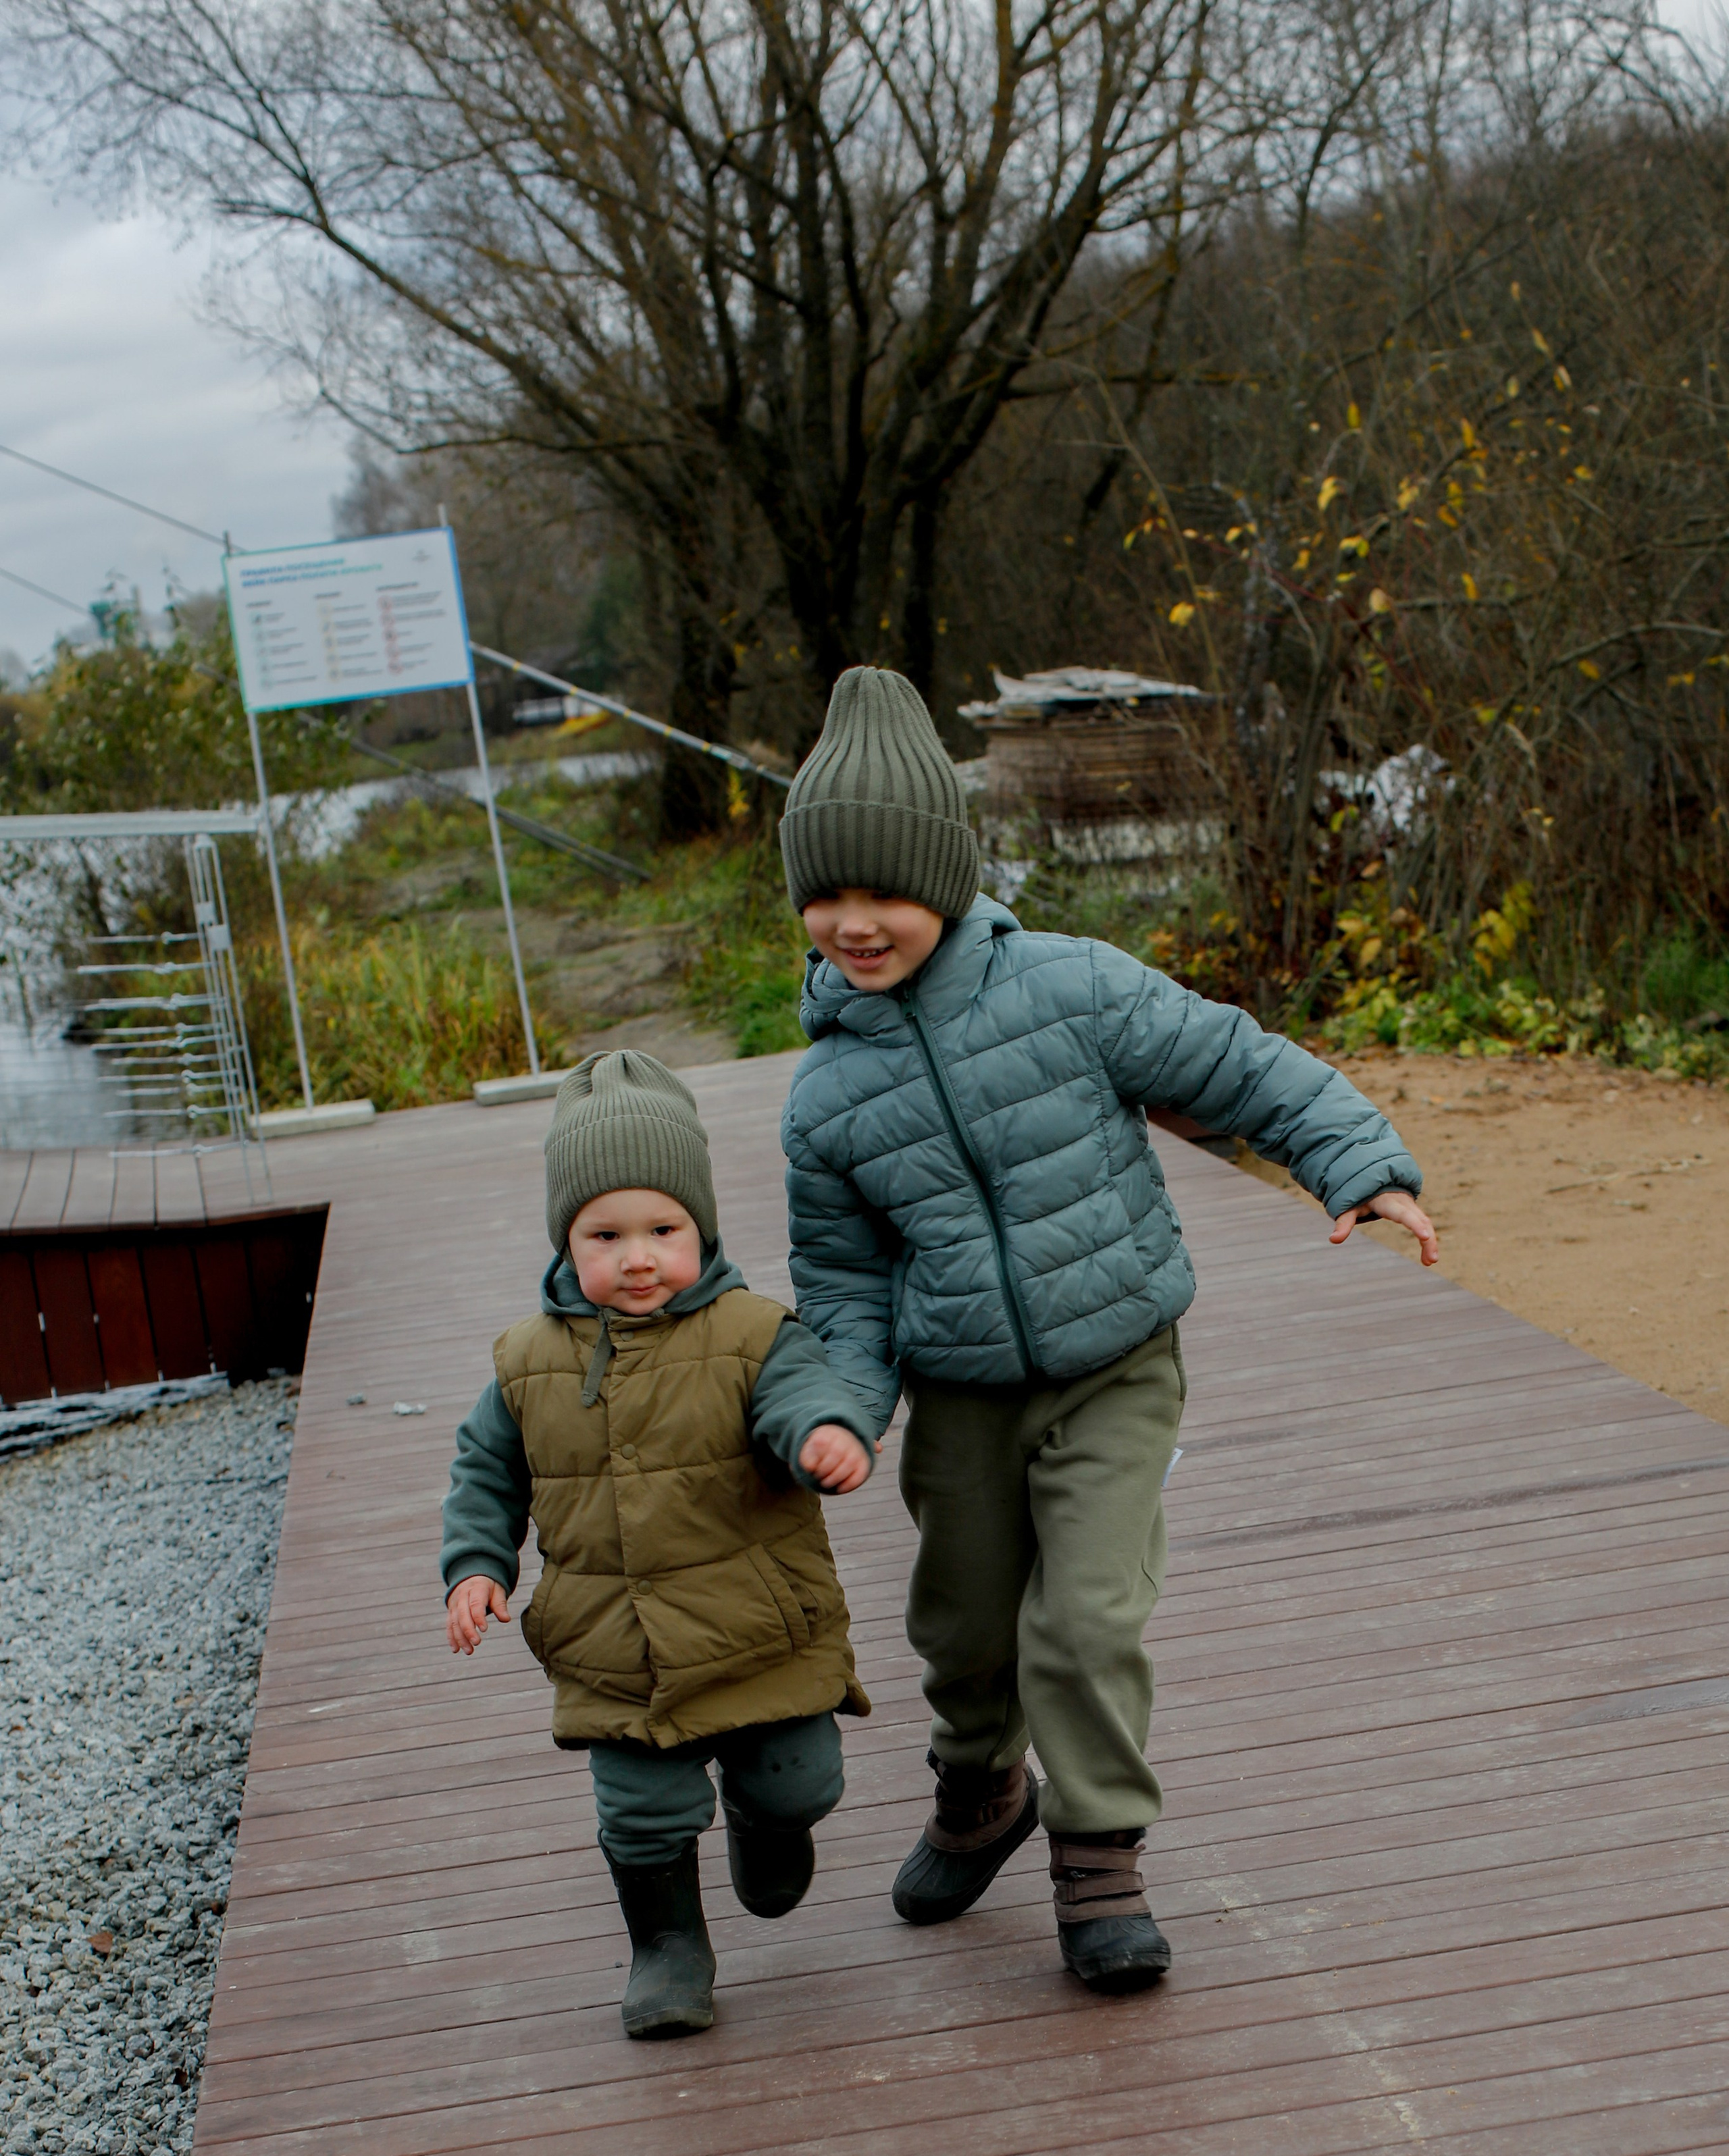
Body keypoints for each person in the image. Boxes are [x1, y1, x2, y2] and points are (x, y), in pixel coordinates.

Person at [779, 666, 1438, 1997]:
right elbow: (843, 1291)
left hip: (1115, 1365)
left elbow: (1234, 1063)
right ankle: (978, 1793)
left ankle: (1097, 1865)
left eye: (883, 890)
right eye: (824, 894)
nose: (853, 923)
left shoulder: (1070, 988)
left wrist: (1351, 1158)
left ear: (949, 875)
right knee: (963, 1629)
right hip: (958, 1393)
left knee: (1081, 1622)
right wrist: (832, 1408)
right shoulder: (823, 1099)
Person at [442, 1050, 876, 2041]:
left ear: (702, 1229)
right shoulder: (527, 1364)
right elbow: (484, 1475)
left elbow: (797, 1393)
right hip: (616, 1641)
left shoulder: (754, 1332)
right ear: (566, 1239)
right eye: (607, 1234)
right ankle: (669, 1948)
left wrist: (823, 1435)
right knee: (641, 1814)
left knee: (803, 1779)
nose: (638, 1257)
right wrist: (476, 1566)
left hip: (760, 1628)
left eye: (664, 1230)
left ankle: (770, 1830)